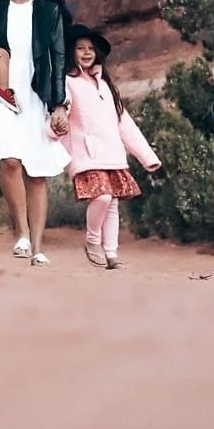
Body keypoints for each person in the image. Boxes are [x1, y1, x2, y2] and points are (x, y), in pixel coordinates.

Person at [0, 0, 75, 266]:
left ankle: (37, 247)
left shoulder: (50, 11)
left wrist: (59, 103)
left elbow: (59, 57)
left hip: (36, 93)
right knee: (10, 160)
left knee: (36, 171)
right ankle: (19, 234)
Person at [59, 24, 162, 269]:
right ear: (71, 52)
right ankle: (92, 240)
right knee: (103, 197)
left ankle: (112, 254)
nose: (86, 53)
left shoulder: (106, 85)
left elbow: (124, 123)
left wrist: (147, 157)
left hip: (112, 153)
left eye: (91, 49)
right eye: (80, 48)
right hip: (86, 153)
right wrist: (53, 134)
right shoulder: (66, 82)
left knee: (113, 202)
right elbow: (59, 114)